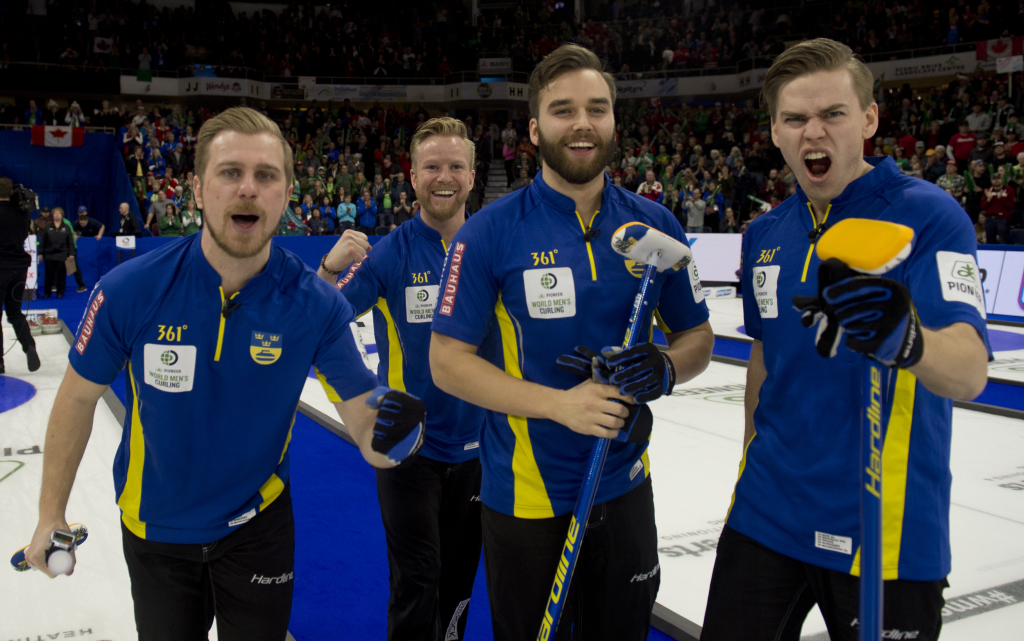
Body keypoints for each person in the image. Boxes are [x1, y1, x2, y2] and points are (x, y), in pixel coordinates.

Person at [25, 107, 427, 641]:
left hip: (257, 526)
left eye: (266, 176)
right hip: (156, 531)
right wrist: (50, 512)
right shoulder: (130, 291)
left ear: (286, 195)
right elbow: (76, 400)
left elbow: (361, 413)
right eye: (230, 172)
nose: (248, 189)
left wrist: (390, 436)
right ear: (196, 189)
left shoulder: (315, 305)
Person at [701, 38, 991, 641]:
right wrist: (750, 458)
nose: (815, 133)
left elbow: (969, 371)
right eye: (795, 118)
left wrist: (905, 339)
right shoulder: (764, 232)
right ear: (775, 132)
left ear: (868, 118)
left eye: (832, 114)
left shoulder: (930, 216)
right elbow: (764, 356)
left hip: (885, 532)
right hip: (766, 515)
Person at [429, 44, 714, 641]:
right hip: (526, 497)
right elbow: (448, 363)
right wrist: (562, 405)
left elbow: (697, 337)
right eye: (563, 110)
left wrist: (663, 366)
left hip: (625, 484)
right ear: (534, 129)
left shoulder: (655, 225)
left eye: (597, 108)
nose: (582, 123)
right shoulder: (487, 233)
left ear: (613, 121)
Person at [318, 117, 492, 641]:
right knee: (416, 581)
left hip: (482, 449)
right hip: (408, 447)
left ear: (472, 174)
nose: (444, 176)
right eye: (432, 166)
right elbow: (317, 321)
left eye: (455, 166)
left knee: (460, 585)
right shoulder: (390, 253)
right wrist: (327, 271)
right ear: (412, 177)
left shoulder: (494, 245)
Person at [0, 177, 41, 374]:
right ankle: (29, 347)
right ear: (10, 193)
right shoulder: (22, 212)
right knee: (14, 313)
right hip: (19, 268)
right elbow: (26, 234)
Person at [40, 207, 73, 298]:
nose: (57, 215)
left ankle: (60, 292)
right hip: (49, 254)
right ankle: (47, 292)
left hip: (62, 254)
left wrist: (71, 254)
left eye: (59, 213)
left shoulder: (66, 227)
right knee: (49, 275)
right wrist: (40, 253)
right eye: (55, 213)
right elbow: (43, 241)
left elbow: (70, 241)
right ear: (52, 215)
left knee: (61, 275)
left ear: (62, 215)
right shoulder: (48, 227)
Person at [981, 172, 1014, 244]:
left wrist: (1001, 198)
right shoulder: (988, 190)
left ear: (1002, 179)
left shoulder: (1009, 190)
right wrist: (988, 199)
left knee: (1003, 241)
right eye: (994, 179)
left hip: (1002, 219)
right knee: (990, 242)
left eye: (998, 178)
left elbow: (1011, 206)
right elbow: (982, 207)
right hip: (990, 219)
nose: (996, 180)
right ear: (991, 180)